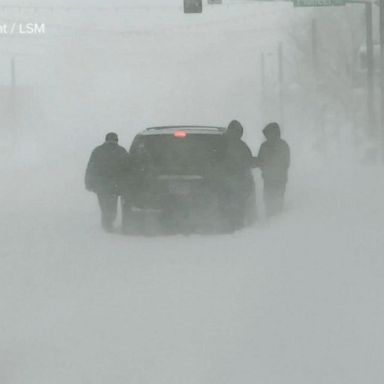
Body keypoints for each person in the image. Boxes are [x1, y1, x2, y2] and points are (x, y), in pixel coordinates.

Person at [85, 132, 128, 232]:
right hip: (115, 184)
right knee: (112, 203)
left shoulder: (98, 151)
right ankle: (109, 222)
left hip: (101, 184)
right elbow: (127, 167)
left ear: (106, 139)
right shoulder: (121, 151)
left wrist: (89, 182)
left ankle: (106, 223)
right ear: (116, 140)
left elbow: (91, 167)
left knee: (104, 204)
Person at [223, 120, 256, 230]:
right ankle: (236, 228)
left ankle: (236, 227)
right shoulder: (223, 145)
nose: (235, 134)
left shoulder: (219, 144)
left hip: (235, 184)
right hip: (227, 183)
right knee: (234, 207)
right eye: (234, 131)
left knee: (236, 207)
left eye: (237, 132)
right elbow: (249, 163)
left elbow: (248, 163)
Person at [255, 122, 290, 217]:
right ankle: (270, 223)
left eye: (270, 133)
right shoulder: (264, 146)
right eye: (267, 134)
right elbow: (259, 161)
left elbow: (285, 163)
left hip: (279, 181)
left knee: (278, 203)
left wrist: (271, 168)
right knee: (268, 203)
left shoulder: (283, 146)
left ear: (276, 133)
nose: (267, 136)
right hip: (268, 181)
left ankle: (277, 224)